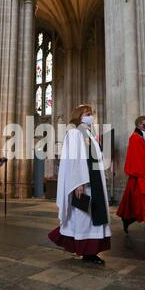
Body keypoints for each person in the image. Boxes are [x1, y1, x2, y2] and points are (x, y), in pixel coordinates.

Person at [49, 105, 111, 265]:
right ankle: (87, 252)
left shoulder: (89, 133)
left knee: (92, 216)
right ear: (79, 116)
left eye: (91, 114)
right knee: (85, 216)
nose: (91, 116)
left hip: (94, 181)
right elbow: (75, 160)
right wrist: (79, 183)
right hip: (85, 183)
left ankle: (91, 251)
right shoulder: (76, 133)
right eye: (87, 114)